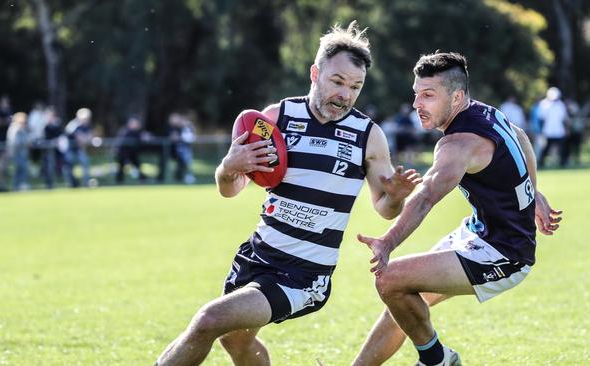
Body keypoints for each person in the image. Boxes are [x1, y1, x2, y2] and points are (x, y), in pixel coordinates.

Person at [154, 21, 423, 366]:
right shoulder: (276, 118)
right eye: (337, 82)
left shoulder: (367, 135)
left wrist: (397, 196)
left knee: (210, 319)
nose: (345, 95)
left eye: (355, 87)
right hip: (257, 256)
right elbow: (230, 189)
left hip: (303, 275)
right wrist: (228, 166)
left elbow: (385, 208)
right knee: (235, 341)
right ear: (315, 73)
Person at [351, 52, 562, 366]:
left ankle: (437, 360)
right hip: (478, 233)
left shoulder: (458, 144)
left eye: (428, 96)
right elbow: (519, 136)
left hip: (505, 252)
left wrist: (387, 242)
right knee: (403, 300)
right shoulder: (486, 112)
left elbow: (425, 198)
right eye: (416, 94)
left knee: (390, 280)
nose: (416, 104)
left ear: (457, 96)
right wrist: (532, 190)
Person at [537, 87, 568, 168]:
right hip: (548, 131)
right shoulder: (544, 104)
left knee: (562, 148)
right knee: (545, 149)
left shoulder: (561, 105)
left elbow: (563, 118)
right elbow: (541, 118)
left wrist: (565, 129)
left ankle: (563, 163)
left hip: (559, 131)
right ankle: (541, 163)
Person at [63, 108, 93, 187]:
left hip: (79, 150)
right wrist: (84, 138)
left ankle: (85, 184)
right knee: (68, 168)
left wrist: (85, 139)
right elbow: (78, 137)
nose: (86, 120)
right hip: (70, 149)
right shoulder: (73, 124)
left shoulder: (86, 126)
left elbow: (89, 137)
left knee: (85, 165)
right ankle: (71, 184)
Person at [114, 116, 147, 183]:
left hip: (131, 154)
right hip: (123, 153)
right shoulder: (126, 131)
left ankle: (142, 179)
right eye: (134, 123)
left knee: (137, 166)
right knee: (121, 168)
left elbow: (141, 136)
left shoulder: (136, 132)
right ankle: (119, 182)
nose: (135, 125)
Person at [7, 112, 31, 191]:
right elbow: (14, 142)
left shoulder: (22, 129)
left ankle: (20, 185)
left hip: (22, 153)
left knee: (22, 170)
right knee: (17, 171)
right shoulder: (14, 129)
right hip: (16, 154)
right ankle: (17, 186)